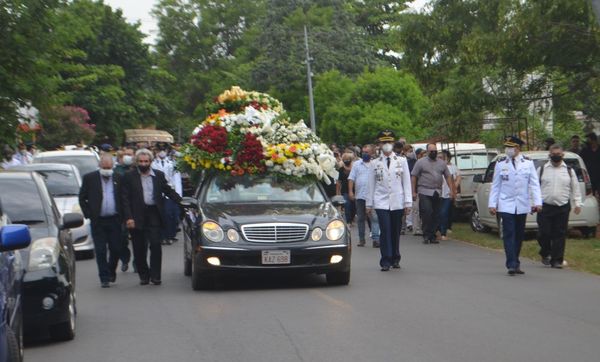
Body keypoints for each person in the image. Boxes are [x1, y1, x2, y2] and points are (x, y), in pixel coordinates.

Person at [121, 148, 182, 286]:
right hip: (136, 215)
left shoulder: (159, 176)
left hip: (154, 213)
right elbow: (124, 198)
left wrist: (182, 202)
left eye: (146, 161)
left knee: (155, 244)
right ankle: (144, 275)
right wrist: (128, 217)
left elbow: (168, 191)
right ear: (137, 162)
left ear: (150, 161)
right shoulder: (129, 177)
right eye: (141, 161)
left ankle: (155, 276)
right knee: (139, 247)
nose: (143, 164)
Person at [488, 136, 542, 276]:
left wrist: (537, 202)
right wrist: (492, 204)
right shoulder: (501, 164)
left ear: (518, 148)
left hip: (522, 204)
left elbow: (534, 184)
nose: (508, 150)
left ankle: (516, 261)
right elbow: (496, 186)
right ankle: (511, 264)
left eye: (511, 147)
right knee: (509, 234)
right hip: (506, 204)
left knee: (518, 235)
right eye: (507, 147)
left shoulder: (528, 164)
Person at [366, 130, 412, 271]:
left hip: (397, 200)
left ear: (393, 143)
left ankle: (395, 258)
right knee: (385, 230)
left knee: (395, 230)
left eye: (389, 142)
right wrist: (369, 203)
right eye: (384, 142)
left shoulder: (401, 161)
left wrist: (408, 202)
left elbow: (406, 182)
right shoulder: (374, 163)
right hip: (381, 201)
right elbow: (371, 184)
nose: (387, 145)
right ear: (379, 144)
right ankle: (385, 260)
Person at [78, 154, 122, 288]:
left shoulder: (119, 178)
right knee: (101, 250)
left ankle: (111, 270)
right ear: (99, 166)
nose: (107, 169)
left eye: (109, 167)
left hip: (115, 220)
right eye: (104, 167)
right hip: (98, 221)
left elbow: (124, 197)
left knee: (116, 249)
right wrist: (89, 214)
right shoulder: (90, 178)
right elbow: (82, 198)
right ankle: (104, 277)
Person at [537, 144, 582, 269]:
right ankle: (545, 253)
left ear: (562, 155)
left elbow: (575, 188)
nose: (556, 156)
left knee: (559, 234)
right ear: (549, 155)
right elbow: (534, 188)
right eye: (553, 154)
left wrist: (577, 203)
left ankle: (557, 260)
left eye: (558, 154)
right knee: (543, 233)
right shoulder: (542, 169)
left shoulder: (569, 170)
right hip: (545, 206)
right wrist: (534, 203)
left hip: (562, 206)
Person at [411, 143, 453, 244]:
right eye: (431, 151)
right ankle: (426, 234)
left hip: (437, 191)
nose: (434, 153)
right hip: (424, 190)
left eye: (435, 151)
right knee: (427, 212)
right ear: (427, 152)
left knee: (436, 214)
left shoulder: (441, 163)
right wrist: (413, 191)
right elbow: (414, 176)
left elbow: (448, 176)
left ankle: (433, 235)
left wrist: (451, 190)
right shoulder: (420, 162)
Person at [114, 147, 136, 272]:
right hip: (122, 210)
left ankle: (137, 263)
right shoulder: (117, 171)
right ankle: (125, 259)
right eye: (125, 155)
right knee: (122, 239)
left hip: (136, 209)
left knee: (139, 240)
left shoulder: (138, 170)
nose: (128, 157)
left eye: (130, 154)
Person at [152, 146, 179, 245]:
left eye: (164, 150)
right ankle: (162, 236)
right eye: (160, 150)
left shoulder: (171, 163)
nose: (162, 152)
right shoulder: (153, 163)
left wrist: (177, 194)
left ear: (167, 151)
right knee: (160, 214)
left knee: (169, 214)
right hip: (158, 192)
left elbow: (176, 178)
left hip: (169, 191)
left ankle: (170, 235)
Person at [349, 144, 375, 247]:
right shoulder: (356, 164)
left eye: (366, 152)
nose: (364, 154)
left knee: (373, 218)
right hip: (360, 195)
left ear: (372, 153)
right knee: (360, 218)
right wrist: (351, 191)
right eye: (363, 152)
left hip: (372, 196)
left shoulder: (375, 164)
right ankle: (361, 239)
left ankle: (375, 238)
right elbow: (351, 178)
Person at [438, 150, 458, 240]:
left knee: (444, 213)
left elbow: (453, 181)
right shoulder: (435, 167)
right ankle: (437, 230)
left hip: (446, 194)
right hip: (437, 194)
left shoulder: (449, 168)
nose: (440, 159)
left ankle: (443, 233)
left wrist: (453, 192)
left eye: (441, 157)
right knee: (437, 213)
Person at [336, 152, 356, 225]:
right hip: (345, 190)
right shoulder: (341, 169)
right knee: (347, 205)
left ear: (351, 159)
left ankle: (352, 217)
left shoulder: (354, 168)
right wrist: (338, 193)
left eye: (348, 159)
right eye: (344, 159)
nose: (346, 160)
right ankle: (348, 221)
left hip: (355, 190)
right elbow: (338, 182)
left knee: (353, 207)